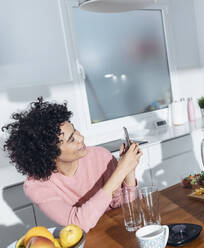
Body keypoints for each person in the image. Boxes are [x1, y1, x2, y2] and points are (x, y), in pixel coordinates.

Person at [2, 97, 142, 232]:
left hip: (115, 232)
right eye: (71, 139)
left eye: (75, 131)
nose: (81, 138)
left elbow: (125, 209)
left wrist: (129, 172)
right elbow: (78, 224)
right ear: (51, 154)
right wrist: (120, 171)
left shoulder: (100, 156)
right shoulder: (37, 186)